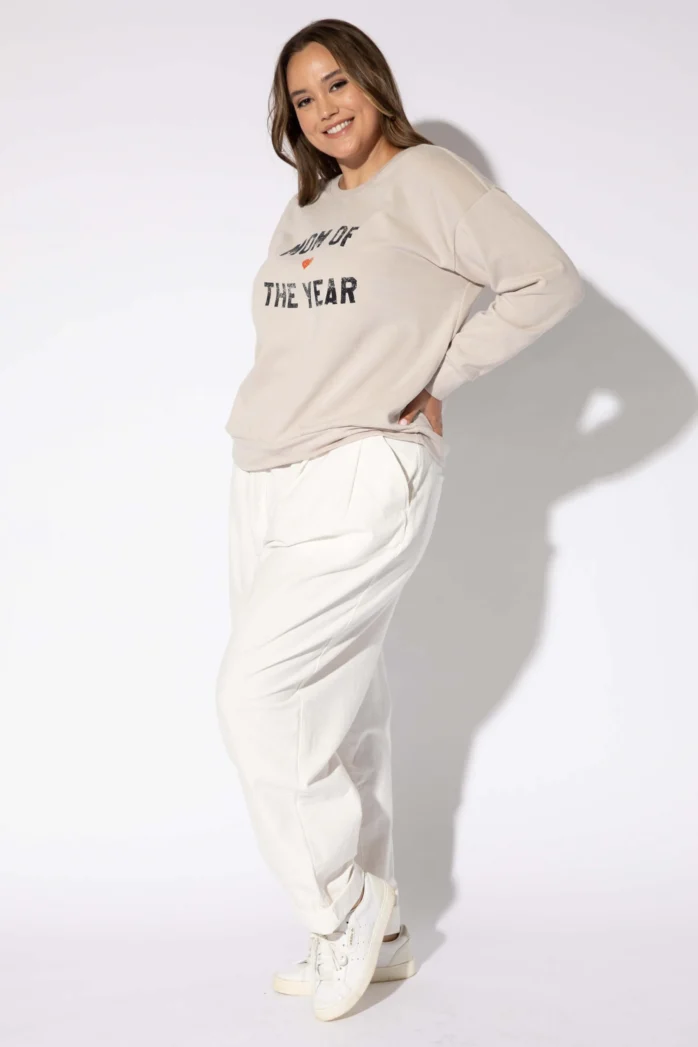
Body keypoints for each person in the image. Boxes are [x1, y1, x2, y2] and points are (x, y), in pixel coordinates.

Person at [215, 17, 584, 1022]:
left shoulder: (429, 180)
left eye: (337, 84)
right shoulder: (310, 206)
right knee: (333, 710)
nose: (323, 109)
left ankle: (341, 908)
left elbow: (546, 279)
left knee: (255, 698)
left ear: (373, 82)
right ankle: (380, 938)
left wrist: (441, 376)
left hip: (361, 466)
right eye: (302, 98)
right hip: (265, 472)